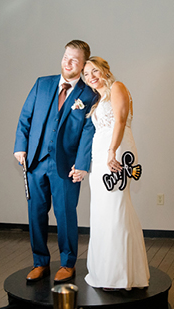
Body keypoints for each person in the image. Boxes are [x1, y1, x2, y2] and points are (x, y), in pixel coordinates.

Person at [13, 40, 99, 282]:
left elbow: (87, 131)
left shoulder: (89, 94)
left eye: (74, 60)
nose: (67, 63)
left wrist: (82, 164)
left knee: (65, 215)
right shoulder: (42, 84)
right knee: (36, 214)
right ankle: (40, 262)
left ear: (82, 66)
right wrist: (20, 147)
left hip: (67, 167)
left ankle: (68, 263)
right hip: (35, 163)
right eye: (65, 57)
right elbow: (25, 118)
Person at [77, 56, 150, 290]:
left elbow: (119, 120)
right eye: (86, 75)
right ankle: (106, 271)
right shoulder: (98, 100)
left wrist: (112, 151)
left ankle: (121, 274)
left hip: (116, 151)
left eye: (94, 71)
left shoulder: (118, 87)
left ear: (105, 70)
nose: (91, 77)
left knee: (116, 207)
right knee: (102, 209)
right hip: (100, 156)